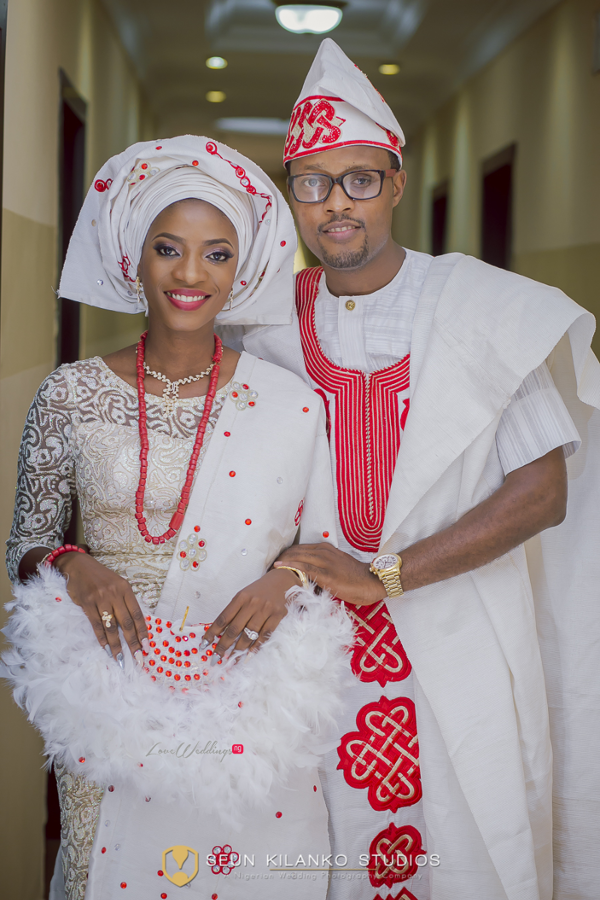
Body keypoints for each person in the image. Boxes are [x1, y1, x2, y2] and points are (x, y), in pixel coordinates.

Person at [217, 39, 600, 900]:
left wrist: (388, 576)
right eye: (312, 183)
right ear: (292, 197)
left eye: (358, 179)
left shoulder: (481, 310)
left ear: (395, 181)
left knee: (467, 850)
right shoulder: (258, 326)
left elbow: (542, 493)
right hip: (303, 657)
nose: (335, 205)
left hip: (456, 637)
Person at [2, 136, 354, 900]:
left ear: (244, 269)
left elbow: (325, 544)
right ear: (135, 258)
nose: (191, 274)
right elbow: (25, 545)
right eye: (169, 248)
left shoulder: (289, 403)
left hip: (244, 693)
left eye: (216, 254)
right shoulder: (70, 396)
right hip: (107, 692)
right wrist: (73, 563)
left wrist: (282, 577)